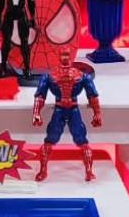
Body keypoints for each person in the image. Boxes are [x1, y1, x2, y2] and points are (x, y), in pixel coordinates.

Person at [31, 48, 101, 181]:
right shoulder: (49, 76)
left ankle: (89, 171)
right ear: (58, 56)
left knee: (82, 140)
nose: (66, 58)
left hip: (74, 109)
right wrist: (36, 113)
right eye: (63, 55)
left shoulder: (82, 76)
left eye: (68, 55)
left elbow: (92, 95)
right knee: (50, 139)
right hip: (59, 110)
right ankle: (43, 170)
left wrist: (97, 113)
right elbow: (40, 95)